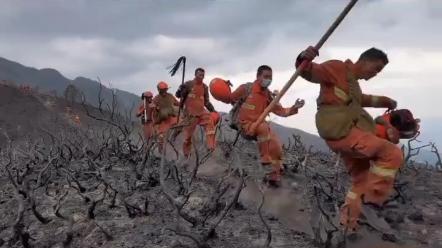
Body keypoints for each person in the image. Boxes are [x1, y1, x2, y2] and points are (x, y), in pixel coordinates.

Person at [296, 46, 402, 232]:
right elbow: (308, 71)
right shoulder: (337, 69)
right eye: (375, 69)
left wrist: (385, 101)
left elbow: (362, 99)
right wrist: (303, 58)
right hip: (341, 131)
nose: (375, 74)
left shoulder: (352, 84)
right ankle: (373, 203)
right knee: (391, 153)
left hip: (343, 133)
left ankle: (347, 225)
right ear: (365, 61)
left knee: (361, 180)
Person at [221, 65, 305, 187]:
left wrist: (294, 108)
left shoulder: (268, 95)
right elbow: (229, 98)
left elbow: (280, 111)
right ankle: (267, 167)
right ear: (258, 76)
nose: (268, 80)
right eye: (266, 77)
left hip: (260, 125)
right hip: (245, 126)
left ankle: (275, 175)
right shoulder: (246, 88)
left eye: (270, 77)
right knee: (263, 128)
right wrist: (224, 86)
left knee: (275, 143)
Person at [175, 68, 218, 164]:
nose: (201, 77)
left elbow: (206, 102)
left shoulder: (205, 87)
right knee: (188, 137)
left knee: (209, 122)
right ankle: (186, 155)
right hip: (190, 113)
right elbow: (178, 95)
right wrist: (180, 89)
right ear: (195, 74)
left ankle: (210, 147)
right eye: (199, 74)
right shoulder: (188, 84)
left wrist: (213, 110)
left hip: (201, 111)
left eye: (203, 75)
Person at [150, 81, 180, 156]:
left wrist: (182, 102)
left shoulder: (170, 96)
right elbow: (152, 106)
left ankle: (173, 137)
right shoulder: (156, 98)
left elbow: (177, 103)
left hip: (172, 117)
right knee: (161, 138)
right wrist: (153, 107)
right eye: (162, 90)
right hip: (163, 120)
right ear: (159, 90)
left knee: (181, 125)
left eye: (165, 90)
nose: (164, 92)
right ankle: (161, 154)